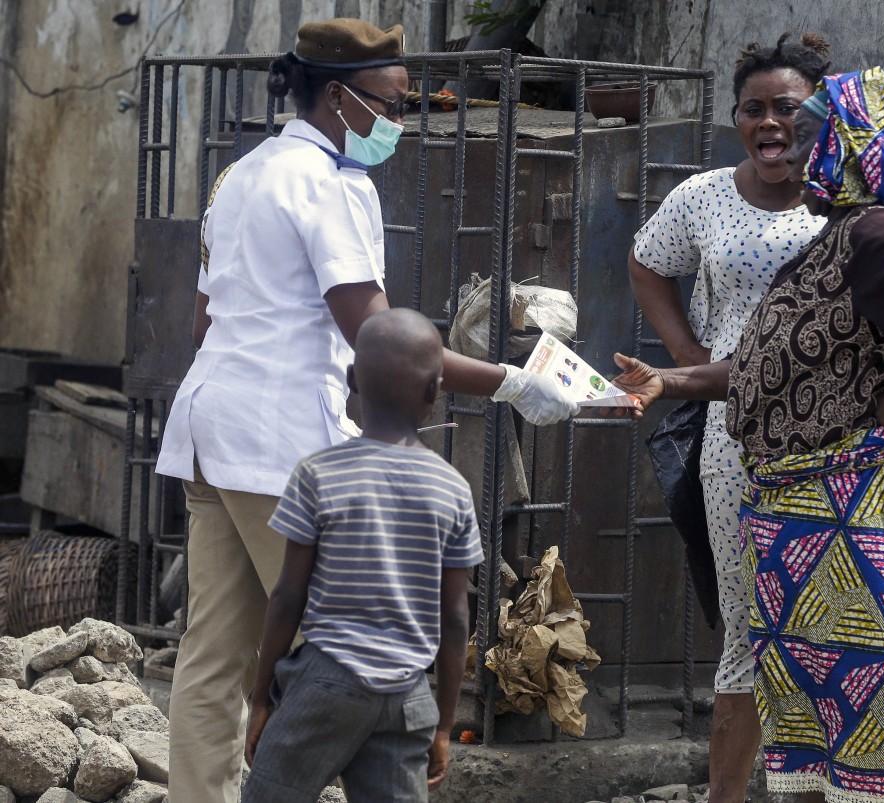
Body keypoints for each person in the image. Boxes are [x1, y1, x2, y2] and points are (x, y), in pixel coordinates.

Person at [154, 19, 579, 803]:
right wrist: (516, 384)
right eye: (389, 105)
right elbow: (381, 341)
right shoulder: (333, 184)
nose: (398, 122)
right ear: (338, 98)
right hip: (276, 439)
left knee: (212, 654)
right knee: (345, 652)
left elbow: (203, 322)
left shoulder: (243, 172)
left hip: (211, 425)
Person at [614, 67, 884, 803]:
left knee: (835, 656)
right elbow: (773, 360)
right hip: (779, 471)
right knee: (791, 645)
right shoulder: (833, 222)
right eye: (754, 109)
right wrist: (681, 372)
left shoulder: (873, 227)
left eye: (803, 119)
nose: (785, 131)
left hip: (843, 486)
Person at [628, 33, 832, 803]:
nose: (770, 122)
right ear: (738, 120)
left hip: (837, 448)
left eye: (788, 106)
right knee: (749, 633)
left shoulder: (852, 197)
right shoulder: (704, 196)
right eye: (754, 109)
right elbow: (647, 260)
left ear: (821, 111)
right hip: (736, 443)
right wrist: (685, 359)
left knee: (827, 627)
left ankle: (820, 790)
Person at [240, 309, 480, 802]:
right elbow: (456, 620)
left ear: (352, 381)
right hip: (407, 696)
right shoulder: (452, 490)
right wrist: (442, 725)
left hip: (327, 684)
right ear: (435, 391)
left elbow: (287, 596)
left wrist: (261, 696)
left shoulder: (317, 474)